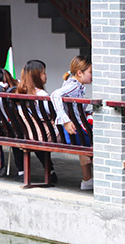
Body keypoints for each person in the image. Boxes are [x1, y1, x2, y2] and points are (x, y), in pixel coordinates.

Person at [50, 55, 94, 191]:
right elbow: (54, 95)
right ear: (80, 73)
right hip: (74, 131)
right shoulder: (73, 86)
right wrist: (65, 120)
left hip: (76, 130)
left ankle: (87, 179)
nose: (93, 75)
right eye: (91, 72)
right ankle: (90, 179)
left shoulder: (75, 85)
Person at [13, 59, 56, 183]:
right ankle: (50, 171)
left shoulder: (20, 93)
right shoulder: (41, 94)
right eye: (43, 73)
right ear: (37, 76)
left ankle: (48, 171)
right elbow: (53, 114)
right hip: (46, 135)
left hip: (30, 134)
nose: (45, 75)